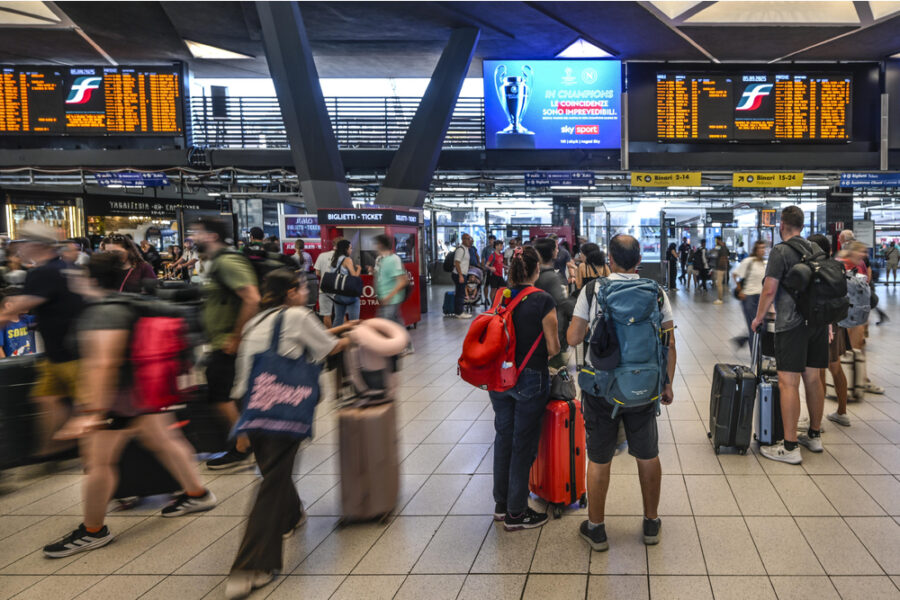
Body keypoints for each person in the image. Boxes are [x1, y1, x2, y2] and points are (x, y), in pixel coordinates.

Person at [42, 252, 217, 559]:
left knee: (98, 464)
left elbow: (104, 364)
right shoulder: (132, 303)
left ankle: (93, 530)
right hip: (147, 393)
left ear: (89, 279)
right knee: (165, 441)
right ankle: (197, 493)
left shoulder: (102, 313)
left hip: (118, 400)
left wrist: (91, 413)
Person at [225, 269, 352, 599]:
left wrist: (242, 424)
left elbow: (287, 345)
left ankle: (292, 515)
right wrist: (358, 336)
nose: (307, 293)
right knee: (272, 481)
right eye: (303, 288)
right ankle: (251, 565)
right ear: (291, 292)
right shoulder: (298, 316)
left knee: (274, 469)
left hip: (249, 401)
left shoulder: (257, 320)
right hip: (280, 403)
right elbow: (330, 348)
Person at [567, 234, 676, 552]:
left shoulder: (593, 290)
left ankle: (596, 529)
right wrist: (667, 383)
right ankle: (651, 523)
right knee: (648, 454)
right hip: (644, 387)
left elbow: (573, 338)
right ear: (639, 261)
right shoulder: (656, 292)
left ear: (610, 260)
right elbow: (669, 342)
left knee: (599, 458)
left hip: (602, 388)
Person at [489, 246, 560, 531]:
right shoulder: (543, 299)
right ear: (536, 270)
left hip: (499, 377)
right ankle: (517, 514)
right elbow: (553, 347)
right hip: (530, 379)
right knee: (523, 444)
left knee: (503, 438)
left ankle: (501, 505)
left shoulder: (500, 296)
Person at [751, 206, 827, 465]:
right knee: (813, 379)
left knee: (788, 382)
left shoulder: (780, 251)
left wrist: (758, 318)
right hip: (817, 323)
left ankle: (790, 446)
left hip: (792, 325)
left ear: (781, 225)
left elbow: (769, 290)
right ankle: (814, 435)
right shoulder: (815, 249)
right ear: (802, 226)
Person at [0, 222, 83, 457]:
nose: (19, 248)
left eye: (23, 242)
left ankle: (76, 448)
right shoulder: (64, 267)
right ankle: (53, 448)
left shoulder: (43, 273)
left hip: (71, 355)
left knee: (85, 407)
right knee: (47, 397)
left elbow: (20, 306)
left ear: (37, 244)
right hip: (59, 353)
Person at [191, 217, 261, 470]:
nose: (193, 237)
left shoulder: (228, 261)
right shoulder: (216, 262)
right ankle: (246, 441)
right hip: (222, 341)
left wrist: (236, 337)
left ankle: (244, 445)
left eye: (197, 233)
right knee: (224, 393)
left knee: (221, 395)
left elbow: (252, 298)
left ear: (212, 236)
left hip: (229, 342)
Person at [807, 234, 852, 428]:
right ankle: (842, 412)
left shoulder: (815, 268)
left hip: (822, 325)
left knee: (819, 372)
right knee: (836, 368)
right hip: (837, 323)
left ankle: (816, 422)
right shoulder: (836, 266)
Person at [732, 240, 767, 342]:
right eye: (760, 248)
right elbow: (735, 274)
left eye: (764, 248)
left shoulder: (765, 263)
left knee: (763, 327)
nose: (762, 250)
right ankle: (755, 351)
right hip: (749, 297)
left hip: (762, 298)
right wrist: (740, 290)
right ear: (755, 250)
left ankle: (743, 341)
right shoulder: (749, 261)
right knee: (754, 327)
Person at [373, 234, 407, 325]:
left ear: (381, 245)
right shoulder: (381, 259)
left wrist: (388, 297)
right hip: (385, 300)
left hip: (391, 300)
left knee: (386, 326)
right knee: (394, 325)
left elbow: (402, 281)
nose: (375, 247)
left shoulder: (394, 259)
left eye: (376, 244)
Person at [330, 239, 361, 326]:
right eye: (350, 248)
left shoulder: (334, 259)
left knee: (338, 318)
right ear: (345, 249)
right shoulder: (347, 259)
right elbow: (354, 277)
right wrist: (359, 269)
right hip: (347, 293)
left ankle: (335, 334)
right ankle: (354, 334)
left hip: (337, 294)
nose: (351, 250)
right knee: (354, 321)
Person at [0, 288, 36, 357]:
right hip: (12, 363)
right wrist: (6, 363)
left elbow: (47, 317)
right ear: (8, 305)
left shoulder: (26, 319)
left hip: (30, 361)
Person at [314, 238, 341, 328]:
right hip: (340, 288)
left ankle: (330, 334)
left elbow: (317, 272)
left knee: (326, 314)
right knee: (342, 313)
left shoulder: (322, 255)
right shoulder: (344, 257)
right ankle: (343, 333)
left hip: (325, 288)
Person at [453, 233, 474, 319]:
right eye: (468, 239)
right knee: (460, 294)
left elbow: (463, 262)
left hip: (463, 274)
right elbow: (456, 263)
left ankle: (458, 311)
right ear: (463, 239)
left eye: (470, 239)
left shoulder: (466, 249)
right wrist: (460, 275)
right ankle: (459, 313)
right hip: (459, 274)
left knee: (460, 293)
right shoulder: (460, 249)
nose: (469, 240)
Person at [713, 236, 728, 304]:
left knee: (719, 283)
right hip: (721, 267)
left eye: (716, 240)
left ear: (718, 240)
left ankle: (720, 299)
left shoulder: (722, 247)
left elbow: (722, 257)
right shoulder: (723, 246)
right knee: (719, 283)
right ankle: (719, 298)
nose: (716, 241)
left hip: (720, 268)